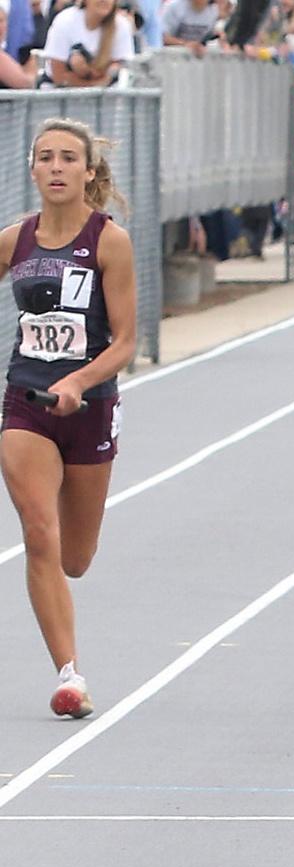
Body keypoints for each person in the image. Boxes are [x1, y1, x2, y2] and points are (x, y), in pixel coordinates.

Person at [0, 119, 132, 721]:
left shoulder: (109, 241)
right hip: (25, 402)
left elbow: (126, 341)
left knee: (74, 556)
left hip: (90, 405)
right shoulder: (14, 241)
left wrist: (79, 381)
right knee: (37, 533)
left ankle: (59, 538)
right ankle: (70, 675)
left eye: (67, 158)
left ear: (87, 171)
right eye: (45, 157)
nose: (55, 167)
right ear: (32, 168)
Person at [41, 0, 132, 87]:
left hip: (107, 94)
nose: (105, 0)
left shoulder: (122, 25)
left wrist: (99, 74)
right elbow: (58, 76)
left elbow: (121, 67)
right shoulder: (64, 20)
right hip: (58, 92)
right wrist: (93, 83)